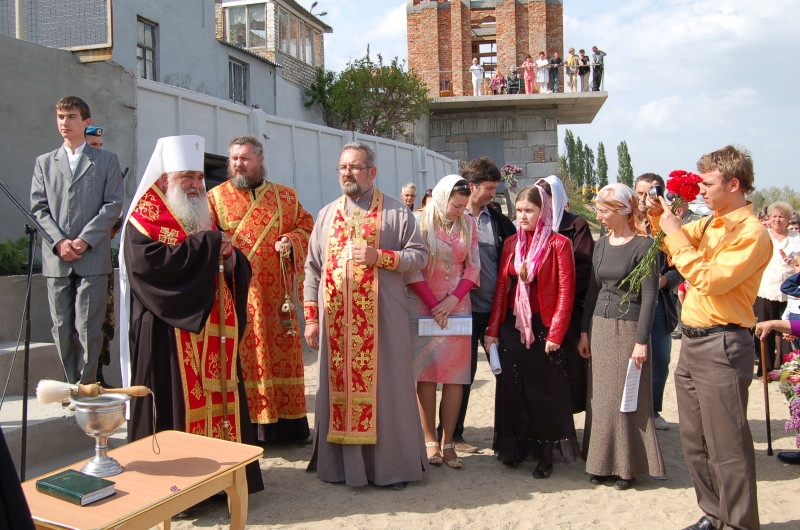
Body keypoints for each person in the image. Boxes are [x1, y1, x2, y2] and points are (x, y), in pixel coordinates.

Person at [119, 134, 263, 493]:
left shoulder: (200, 215)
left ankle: (223, 479)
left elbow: (226, 260)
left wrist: (230, 255)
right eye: (187, 177)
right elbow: (153, 270)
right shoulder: (145, 219)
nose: (197, 185)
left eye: (199, 177)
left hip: (215, 331)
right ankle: (181, 485)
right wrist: (209, 246)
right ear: (166, 179)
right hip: (168, 332)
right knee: (177, 406)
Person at [648, 145, 771, 530]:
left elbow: (710, 279)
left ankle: (738, 523)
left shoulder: (751, 233)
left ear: (734, 184)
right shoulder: (711, 224)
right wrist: (657, 216)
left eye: (708, 183)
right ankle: (714, 514)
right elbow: (670, 243)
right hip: (694, 340)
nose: (700, 190)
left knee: (728, 447)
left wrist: (674, 234)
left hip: (723, 343)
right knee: (696, 440)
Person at [303, 142, 429, 489]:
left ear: (372, 172)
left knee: (387, 392)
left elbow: (419, 256)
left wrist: (380, 257)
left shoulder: (396, 212)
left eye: (355, 167)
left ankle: (391, 469)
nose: (347, 173)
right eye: (343, 167)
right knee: (337, 392)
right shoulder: (326, 215)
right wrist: (311, 317)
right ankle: (341, 468)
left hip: (382, 324)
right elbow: (312, 268)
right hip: (336, 328)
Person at [207, 134, 315, 445]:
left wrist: (291, 240)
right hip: (236, 296)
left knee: (281, 356)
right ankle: (248, 429)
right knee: (243, 359)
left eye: (244, 158)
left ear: (260, 160)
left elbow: (306, 227)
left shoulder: (285, 197)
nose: (238, 164)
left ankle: (288, 428)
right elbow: (205, 237)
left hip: (277, 299)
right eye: (234, 159)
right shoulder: (214, 199)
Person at [485, 183, 578, 479]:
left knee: (543, 393)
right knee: (512, 388)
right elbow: (502, 288)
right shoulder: (511, 243)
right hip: (513, 326)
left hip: (543, 327)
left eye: (529, 210)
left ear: (543, 212)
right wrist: (492, 329)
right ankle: (515, 449)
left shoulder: (558, 244)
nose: (522, 216)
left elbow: (566, 292)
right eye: (519, 210)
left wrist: (556, 334)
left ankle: (545, 456)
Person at [30, 96, 124, 385]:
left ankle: (87, 384)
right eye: (60, 116)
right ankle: (71, 384)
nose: (64, 122)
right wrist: (59, 242)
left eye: (71, 116)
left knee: (89, 326)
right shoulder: (45, 162)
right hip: (57, 258)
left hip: (91, 256)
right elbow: (38, 208)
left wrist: (84, 239)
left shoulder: (106, 160)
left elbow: (113, 204)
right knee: (61, 326)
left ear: (86, 122)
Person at [578, 183, 665, 491]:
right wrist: (585, 331)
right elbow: (593, 290)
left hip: (628, 330)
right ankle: (600, 464)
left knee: (623, 398)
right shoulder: (601, 243)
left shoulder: (644, 246)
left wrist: (641, 341)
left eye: (603, 210)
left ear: (621, 210)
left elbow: (650, 296)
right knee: (601, 399)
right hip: (600, 328)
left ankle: (626, 468)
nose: (599, 216)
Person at [406, 175, 480, 469]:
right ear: (441, 198)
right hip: (422, 305)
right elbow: (412, 269)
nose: (459, 211)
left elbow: (473, 267)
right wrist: (434, 304)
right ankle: (429, 440)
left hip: (457, 307)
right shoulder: (418, 221)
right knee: (426, 373)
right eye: (455, 205)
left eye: (463, 206)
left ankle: (449, 441)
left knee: (455, 376)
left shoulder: (468, 224)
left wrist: (452, 301)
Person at [445, 157, 516, 454]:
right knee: (461, 376)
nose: (492, 194)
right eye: (488, 188)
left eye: (494, 189)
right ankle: (453, 434)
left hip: (494, 313)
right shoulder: (451, 219)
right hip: (460, 312)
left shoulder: (499, 223)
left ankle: (507, 435)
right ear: (472, 186)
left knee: (506, 372)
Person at [542, 175, 595, 415]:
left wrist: (561, 295)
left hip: (570, 307)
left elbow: (583, 267)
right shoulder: (535, 226)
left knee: (570, 365)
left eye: (547, 198)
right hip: (542, 309)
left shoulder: (576, 225)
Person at [634, 173, 683, 431]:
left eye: (649, 194)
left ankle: (653, 410)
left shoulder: (668, 225)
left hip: (659, 304)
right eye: (640, 193)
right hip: (631, 302)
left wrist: (664, 281)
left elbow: (680, 268)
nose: (644, 199)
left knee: (660, 358)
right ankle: (633, 411)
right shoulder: (623, 222)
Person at [754, 201, 800, 373]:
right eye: (774, 216)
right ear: (769, 218)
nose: (777, 220)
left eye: (781, 216)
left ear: (788, 219)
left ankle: (788, 370)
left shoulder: (796, 238)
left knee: (789, 331)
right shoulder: (762, 236)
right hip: (766, 289)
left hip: (791, 292)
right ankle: (765, 369)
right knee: (766, 330)